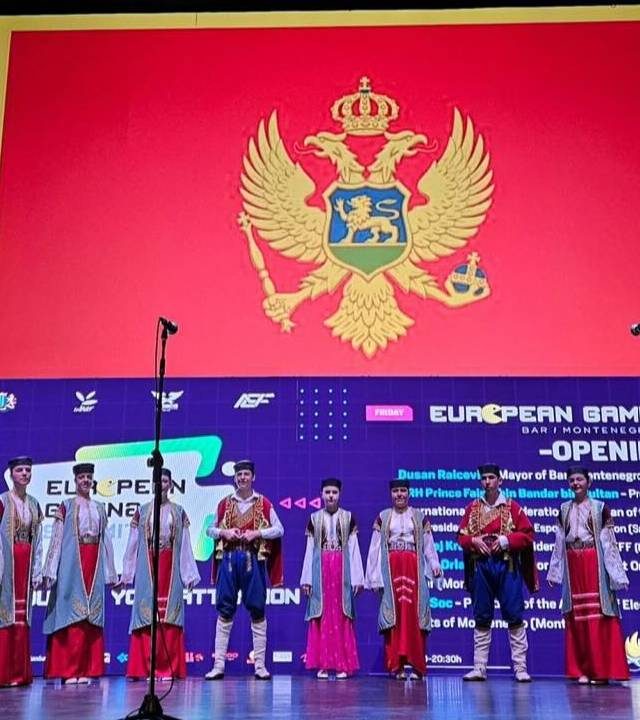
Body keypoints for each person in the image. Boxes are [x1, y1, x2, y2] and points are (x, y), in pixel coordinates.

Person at [547, 465, 630, 684]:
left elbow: (609, 543)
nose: (576, 483)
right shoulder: (564, 509)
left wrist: (617, 575)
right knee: (577, 616)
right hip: (573, 564)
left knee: (597, 615)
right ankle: (581, 670)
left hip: (593, 562)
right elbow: (559, 542)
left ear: (589, 482)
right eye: (572, 480)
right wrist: (555, 572)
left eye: (579, 479)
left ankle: (600, 672)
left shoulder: (600, 508)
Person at [457, 463, 538, 682]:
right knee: (482, 615)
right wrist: (473, 541)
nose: (487, 482)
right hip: (482, 567)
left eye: (491, 478)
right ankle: (479, 667)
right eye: (484, 478)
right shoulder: (472, 508)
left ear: (500, 481)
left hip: (506, 566)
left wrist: (506, 540)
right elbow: (461, 537)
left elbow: (528, 535)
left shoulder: (512, 508)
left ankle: (520, 668)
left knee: (513, 614)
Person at [205, 459, 283, 680]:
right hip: (229, 560)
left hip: (252, 561)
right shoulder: (224, 504)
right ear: (235, 478)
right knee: (224, 609)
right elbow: (209, 530)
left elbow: (279, 529)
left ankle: (260, 666)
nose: (242, 478)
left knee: (257, 609)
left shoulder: (264, 503)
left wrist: (258, 533)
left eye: (246, 474)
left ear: (253, 477)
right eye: (239, 475)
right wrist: (223, 532)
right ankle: (218, 665)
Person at [42, 462, 118, 684]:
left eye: (89, 477)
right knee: (71, 614)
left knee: (90, 617)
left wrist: (111, 572)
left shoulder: (100, 508)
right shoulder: (66, 506)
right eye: (82, 477)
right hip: (72, 562)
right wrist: (50, 570)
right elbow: (57, 539)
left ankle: (86, 669)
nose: (86, 480)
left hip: (94, 561)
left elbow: (106, 541)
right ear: (75, 481)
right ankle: (69, 670)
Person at [122, 467, 200, 680]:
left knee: (169, 615)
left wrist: (189, 574)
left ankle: (167, 668)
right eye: (158, 481)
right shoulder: (142, 511)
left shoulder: (179, 511)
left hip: (170, 564)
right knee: (146, 614)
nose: (161, 485)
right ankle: (145, 668)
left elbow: (185, 545)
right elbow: (132, 544)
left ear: (171, 485)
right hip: (148, 564)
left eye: (165, 481)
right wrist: (127, 574)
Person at [365, 478, 442, 680]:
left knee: (414, 615)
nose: (399, 494)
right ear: (391, 494)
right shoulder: (383, 517)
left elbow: (428, 545)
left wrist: (434, 565)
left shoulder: (419, 517)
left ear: (409, 493)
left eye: (403, 490)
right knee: (394, 616)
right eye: (396, 491)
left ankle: (416, 665)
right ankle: (396, 666)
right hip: (391, 570)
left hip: (413, 568)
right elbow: (375, 548)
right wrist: (373, 576)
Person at [300, 477, 364, 679]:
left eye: (334, 492)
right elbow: (310, 550)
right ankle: (323, 665)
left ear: (340, 494)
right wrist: (307, 579)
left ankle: (343, 665)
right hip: (321, 570)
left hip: (341, 569)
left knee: (341, 615)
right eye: (327, 492)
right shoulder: (314, 518)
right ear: (321, 494)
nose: (330, 496)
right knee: (322, 615)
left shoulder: (348, 517)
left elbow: (353, 549)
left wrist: (357, 578)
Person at [0, 456, 43, 687]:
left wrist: (37, 570)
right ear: (11, 474)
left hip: (26, 560)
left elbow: (39, 540)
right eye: (20, 470)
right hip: (7, 560)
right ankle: (4, 673)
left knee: (22, 617)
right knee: (6, 613)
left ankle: (20, 673)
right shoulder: (3, 501)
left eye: (28, 470)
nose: (25, 474)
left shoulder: (34, 504)